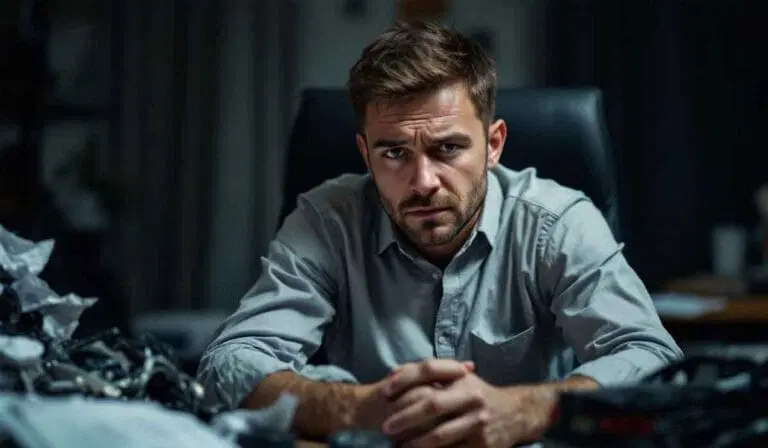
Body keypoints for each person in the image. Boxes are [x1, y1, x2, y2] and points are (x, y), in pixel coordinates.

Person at [198, 21, 683, 447]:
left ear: (493, 144)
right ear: (365, 155)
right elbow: (228, 363)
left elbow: (654, 360)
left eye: (447, 148)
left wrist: (524, 410)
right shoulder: (327, 220)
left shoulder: (557, 221)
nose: (423, 182)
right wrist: (353, 409)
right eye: (394, 153)